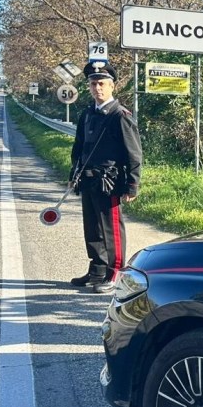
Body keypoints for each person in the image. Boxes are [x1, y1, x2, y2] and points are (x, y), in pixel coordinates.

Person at [69, 61, 143, 292]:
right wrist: (74, 172)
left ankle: (115, 273)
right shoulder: (88, 113)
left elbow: (134, 152)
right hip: (88, 179)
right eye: (93, 83)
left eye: (102, 83)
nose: (97, 88)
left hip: (109, 182)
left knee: (111, 231)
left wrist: (132, 184)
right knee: (92, 229)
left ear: (112, 86)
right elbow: (79, 146)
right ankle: (97, 270)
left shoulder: (120, 115)